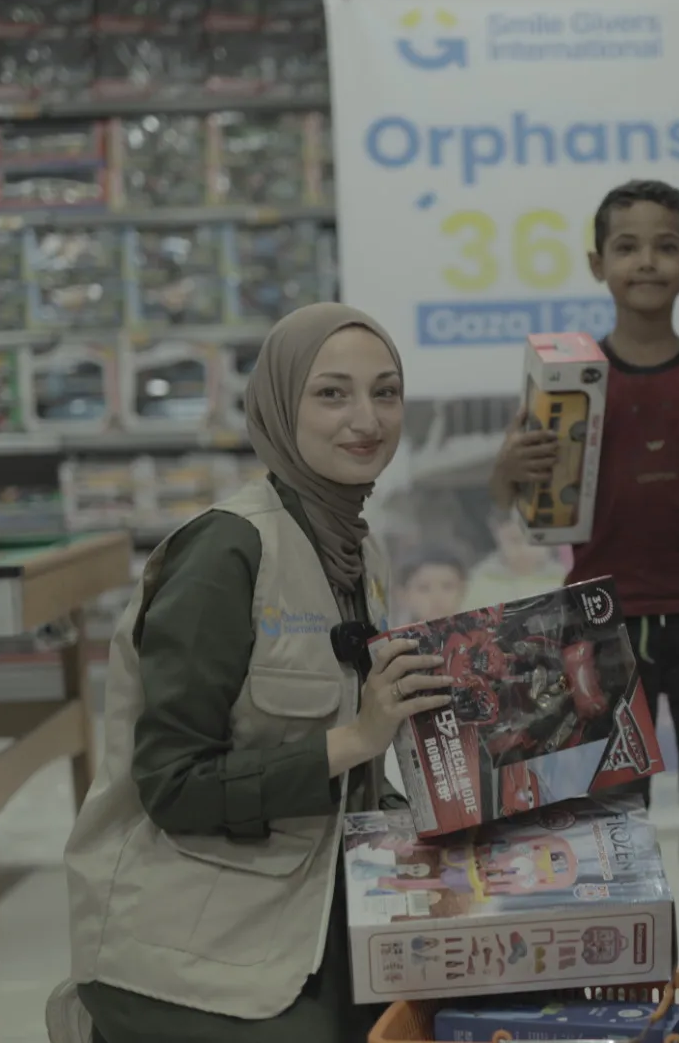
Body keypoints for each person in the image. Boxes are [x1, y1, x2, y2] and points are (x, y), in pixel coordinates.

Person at [45, 304, 454, 1043]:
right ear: (278, 403)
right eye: (332, 393)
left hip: (318, 903)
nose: (366, 418)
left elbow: (358, 780)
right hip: (194, 937)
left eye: (385, 392)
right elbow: (173, 785)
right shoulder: (224, 553)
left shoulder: (360, 556)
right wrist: (358, 738)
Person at [490, 179, 679, 936]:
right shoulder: (569, 381)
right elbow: (510, 494)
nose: (647, 262)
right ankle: (625, 976)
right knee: (610, 817)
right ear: (599, 263)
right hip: (599, 624)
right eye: (627, 247)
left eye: (666, 247)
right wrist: (511, 464)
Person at [461, 509, 569, 609]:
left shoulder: (563, 581)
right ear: (499, 537)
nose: (526, 549)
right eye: (515, 540)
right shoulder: (480, 582)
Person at [394, 547, 469, 625]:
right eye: (424, 588)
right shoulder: (393, 636)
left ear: (462, 591)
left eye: (447, 586)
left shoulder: (478, 635)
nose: (437, 597)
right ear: (403, 596)